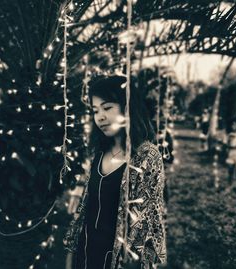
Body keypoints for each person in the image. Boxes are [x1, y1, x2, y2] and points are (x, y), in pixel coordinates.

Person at [64, 76, 167, 269]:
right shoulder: (98, 152)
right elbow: (84, 208)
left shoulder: (147, 156)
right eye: (95, 111)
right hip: (85, 253)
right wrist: (70, 253)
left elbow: (148, 225)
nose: (100, 116)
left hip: (117, 260)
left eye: (107, 107)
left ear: (127, 107)